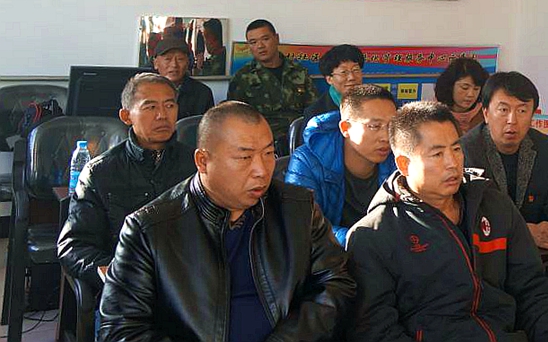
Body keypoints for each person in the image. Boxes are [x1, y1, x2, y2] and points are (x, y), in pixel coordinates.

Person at [97, 101, 355, 342]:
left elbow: (335, 283)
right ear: (203, 161)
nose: (262, 170)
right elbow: (122, 329)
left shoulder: (297, 208)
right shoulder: (150, 228)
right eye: (245, 157)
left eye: (268, 153)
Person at [346, 101, 548, 341]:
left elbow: (532, 292)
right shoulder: (374, 234)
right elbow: (376, 329)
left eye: (456, 149)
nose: (452, 163)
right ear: (404, 164)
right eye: (437, 154)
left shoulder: (494, 206)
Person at [58, 73, 196, 291]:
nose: (162, 115)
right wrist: (114, 272)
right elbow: (74, 246)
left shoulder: (198, 165)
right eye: (150, 107)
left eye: (169, 105)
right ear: (126, 116)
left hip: (188, 285)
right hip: (128, 287)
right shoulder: (100, 172)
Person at [460, 71, 548, 251]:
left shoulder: (547, 148)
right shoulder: (466, 151)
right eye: (503, 110)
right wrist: (524, 232)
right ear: (486, 113)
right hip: (485, 251)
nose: (512, 120)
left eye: (522, 111)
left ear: (532, 115)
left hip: (537, 252)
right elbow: (469, 214)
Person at [285, 84, 398, 244]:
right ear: (346, 128)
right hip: (331, 253)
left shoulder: (399, 157)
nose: (386, 137)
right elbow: (302, 224)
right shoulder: (307, 161)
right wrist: (360, 241)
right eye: (374, 126)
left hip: (384, 251)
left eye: (392, 126)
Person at [227, 19, 317, 154]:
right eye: (253, 42)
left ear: (276, 38)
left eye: (265, 39)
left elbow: (313, 110)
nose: (260, 46)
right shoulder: (242, 78)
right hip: (261, 145)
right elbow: (236, 119)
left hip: (299, 142)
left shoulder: (299, 72)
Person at [151, 37, 214, 118]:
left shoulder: (202, 93)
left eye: (180, 59)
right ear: (156, 63)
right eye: (168, 59)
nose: (174, 65)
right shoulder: (145, 91)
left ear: (187, 63)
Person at [304, 44, 366, 121]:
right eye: (343, 72)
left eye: (356, 70)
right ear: (329, 79)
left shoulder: (374, 102)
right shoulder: (316, 113)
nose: (351, 77)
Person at [434, 56, 490, 135]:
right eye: (465, 88)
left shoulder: (487, 114)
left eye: (476, 89)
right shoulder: (434, 114)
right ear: (450, 86)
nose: (471, 94)